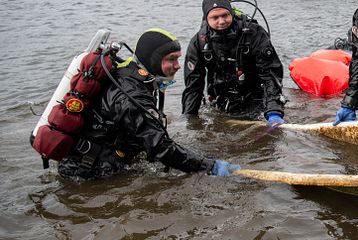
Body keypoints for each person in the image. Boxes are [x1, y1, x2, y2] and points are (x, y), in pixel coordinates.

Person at [58, 28, 239, 180]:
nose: (177, 66)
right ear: (153, 59)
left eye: (178, 58)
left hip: (94, 157)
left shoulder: (132, 74)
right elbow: (161, 148)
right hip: (88, 172)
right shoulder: (131, 96)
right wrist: (209, 165)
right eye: (171, 59)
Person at [182, 0, 286, 125]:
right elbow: (193, 86)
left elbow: (270, 74)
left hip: (256, 98)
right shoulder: (199, 42)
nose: (221, 21)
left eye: (225, 15)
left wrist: (274, 111)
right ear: (206, 19)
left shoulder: (254, 33)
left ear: (231, 13)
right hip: (220, 100)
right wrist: (189, 118)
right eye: (215, 17)